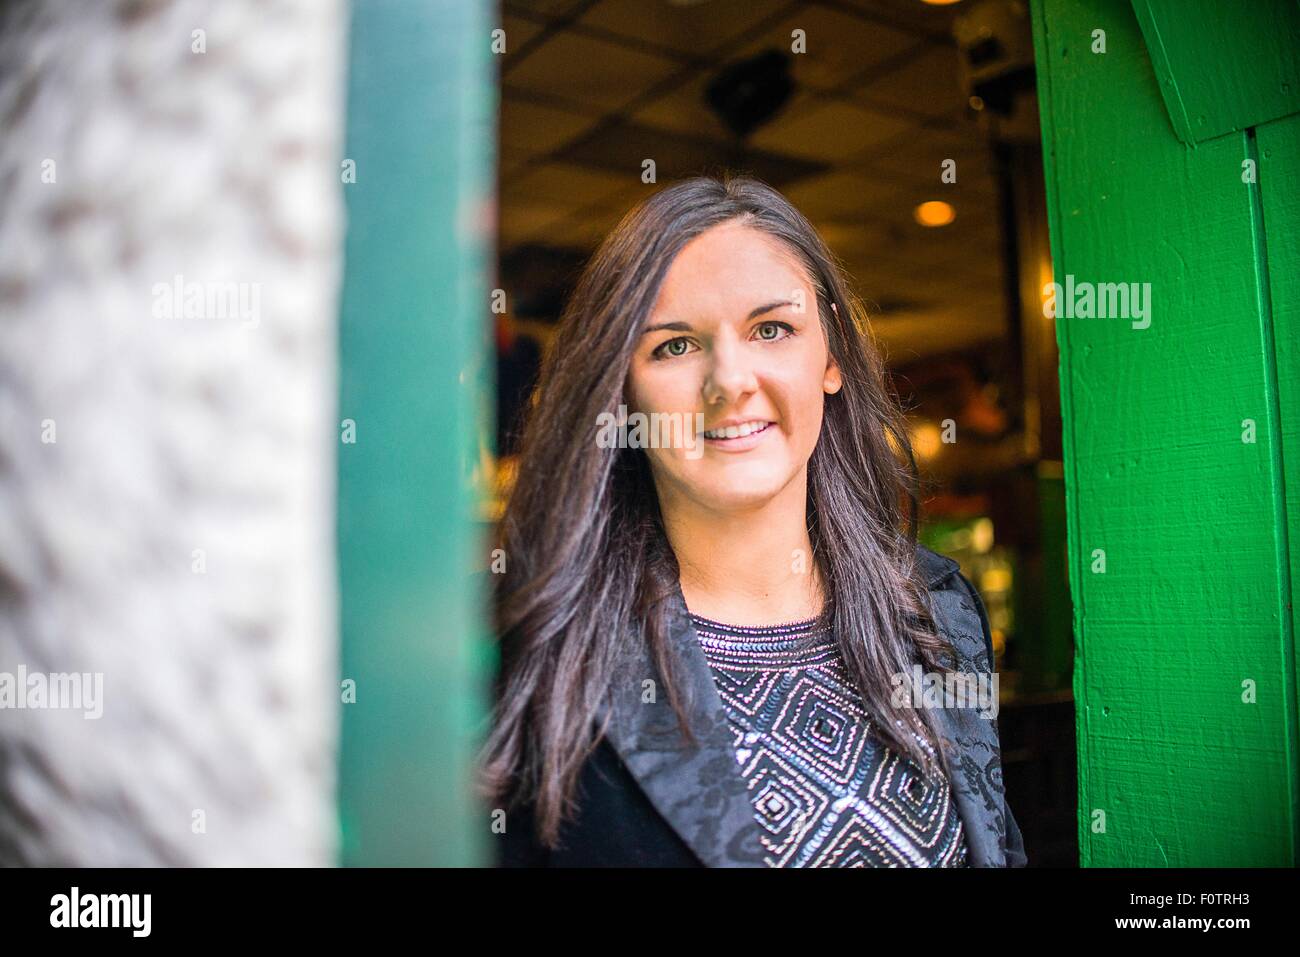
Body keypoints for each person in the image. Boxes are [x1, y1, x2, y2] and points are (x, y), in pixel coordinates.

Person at [478, 172, 1027, 868]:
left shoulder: (938, 611)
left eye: (772, 328)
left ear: (830, 356)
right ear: (620, 389)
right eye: (673, 344)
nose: (730, 380)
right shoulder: (528, 643)